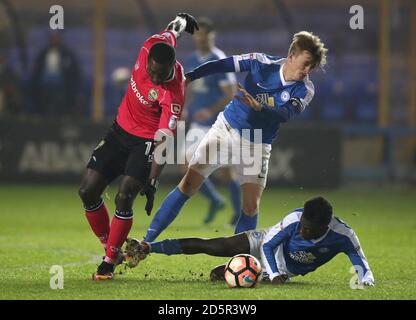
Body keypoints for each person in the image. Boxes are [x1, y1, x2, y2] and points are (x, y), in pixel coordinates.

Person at [144, 31, 328, 242]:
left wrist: (260, 107)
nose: (307, 71)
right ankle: (145, 242)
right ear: (291, 55)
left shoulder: (305, 89)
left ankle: (237, 261)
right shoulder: (260, 62)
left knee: (250, 206)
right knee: (187, 184)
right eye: (305, 63)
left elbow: (285, 114)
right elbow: (222, 65)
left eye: (312, 66)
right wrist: (191, 77)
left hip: (256, 142)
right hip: (225, 129)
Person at [78, 13, 199, 280]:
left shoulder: (174, 91)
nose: (156, 79)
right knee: (87, 191)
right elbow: (171, 31)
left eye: (162, 75)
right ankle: (111, 243)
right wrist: (181, 22)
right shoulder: (151, 44)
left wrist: (153, 181)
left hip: (145, 141)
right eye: (152, 72)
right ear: (146, 59)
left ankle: (108, 262)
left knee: (125, 195)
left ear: (172, 68)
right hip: (119, 130)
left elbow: (164, 140)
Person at [126, 196, 375, 286]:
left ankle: (237, 269)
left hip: (287, 267)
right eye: (302, 226)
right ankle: (149, 247)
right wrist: (274, 273)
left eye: (309, 230)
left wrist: (366, 281)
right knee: (218, 245)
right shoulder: (294, 221)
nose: (302, 232)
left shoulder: (342, 235)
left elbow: (359, 259)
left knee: (239, 279)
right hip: (266, 242)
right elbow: (269, 245)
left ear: (323, 226)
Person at [182, 17, 240, 225]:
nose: (201, 37)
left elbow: (230, 93)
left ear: (212, 36)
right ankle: (215, 199)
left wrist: (209, 110)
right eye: (198, 33)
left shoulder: (219, 60)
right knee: (186, 163)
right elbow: (188, 88)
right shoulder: (190, 60)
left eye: (205, 33)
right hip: (199, 124)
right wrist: (184, 108)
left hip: (220, 123)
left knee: (225, 171)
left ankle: (237, 213)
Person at [31, 32, 81, 116]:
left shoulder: (67, 54)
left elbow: (75, 72)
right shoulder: (43, 54)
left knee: (60, 102)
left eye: (56, 38)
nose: (54, 40)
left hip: (62, 87)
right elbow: (36, 71)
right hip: (44, 87)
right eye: (53, 38)